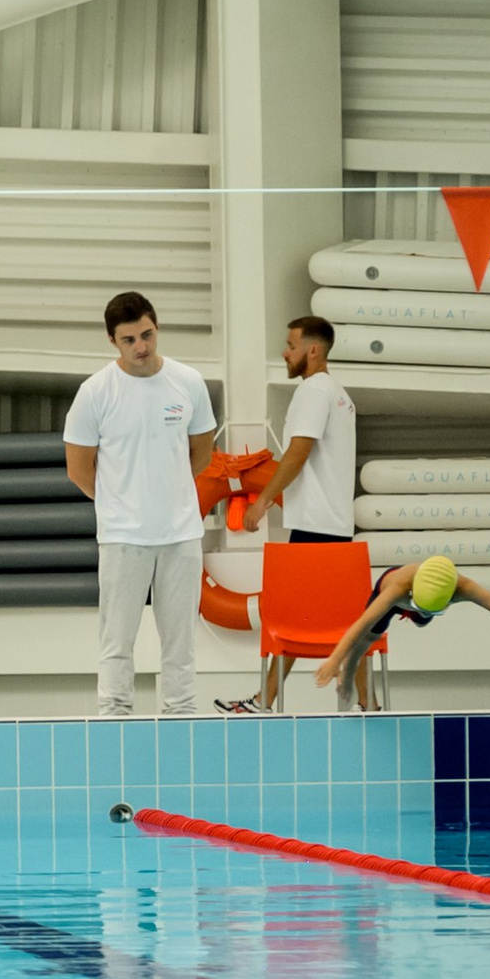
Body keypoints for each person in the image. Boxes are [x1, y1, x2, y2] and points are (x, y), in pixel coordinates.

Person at [64, 291, 217, 717]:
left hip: (181, 534)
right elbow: (78, 469)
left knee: (180, 643)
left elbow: (201, 454)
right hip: (122, 537)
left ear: (157, 327)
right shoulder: (95, 392)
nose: (141, 347)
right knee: (116, 642)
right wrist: (120, 504)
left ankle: (182, 717)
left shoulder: (188, 382)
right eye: (129, 340)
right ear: (113, 341)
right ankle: (114, 718)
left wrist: (169, 496)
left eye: (147, 335)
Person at [222, 316, 361, 714]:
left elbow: (298, 452)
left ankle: (264, 702)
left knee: (291, 618)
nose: (285, 352)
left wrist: (263, 500)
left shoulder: (313, 392)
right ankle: (366, 703)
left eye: (290, 344)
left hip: (315, 526)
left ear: (312, 350)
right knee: (346, 620)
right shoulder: (339, 394)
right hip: (333, 524)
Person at [316, 556, 490, 711]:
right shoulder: (397, 588)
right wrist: (334, 660)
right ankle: (349, 668)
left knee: (421, 622)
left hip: (421, 599)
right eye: (419, 606)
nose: (421, 611)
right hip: (393, 595)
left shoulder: (464, 588)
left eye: (431, 611)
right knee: (370, 636)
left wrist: (423, 610)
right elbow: (361, 625)